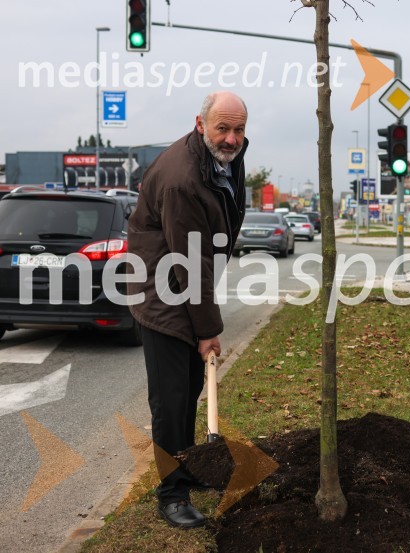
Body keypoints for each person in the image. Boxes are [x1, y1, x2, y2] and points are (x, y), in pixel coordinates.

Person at [127, 91, 249, 528]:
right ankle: (172, 494)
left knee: (191, 388)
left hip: (184, 283)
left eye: (238, 129)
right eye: (223, 128)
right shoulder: (182, 178)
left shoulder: (220, 159)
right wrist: (207, 330)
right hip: (161, 293)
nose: (232, 138)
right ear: (201, 124)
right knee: (170, 399)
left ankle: (187, 466)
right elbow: (189, 261)